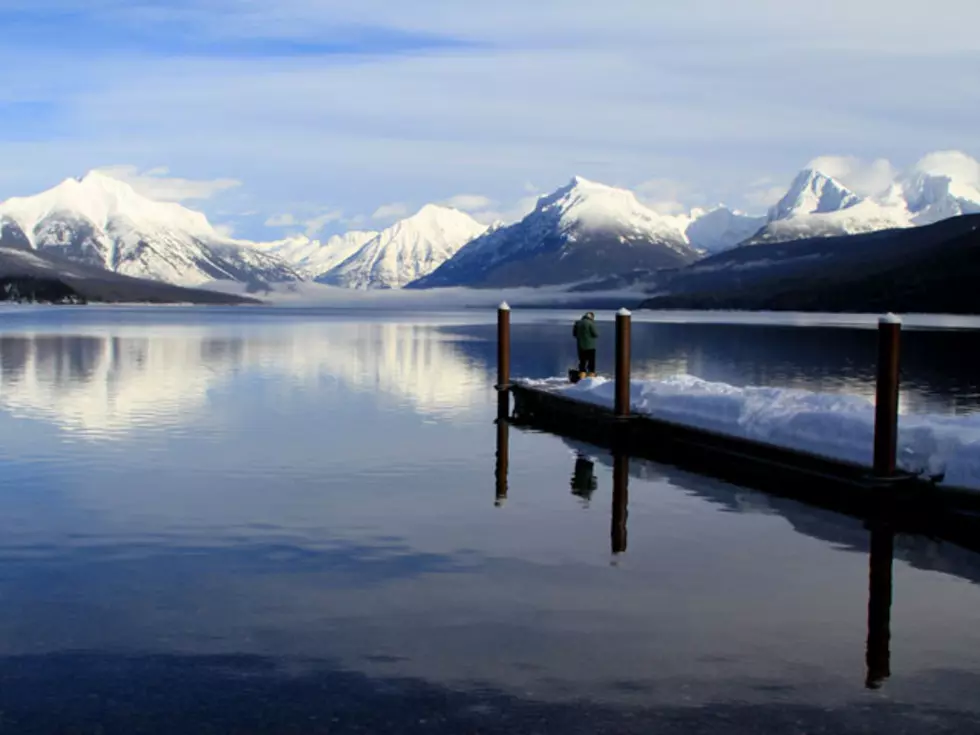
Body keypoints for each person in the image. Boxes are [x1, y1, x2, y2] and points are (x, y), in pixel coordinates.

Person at [572, 311, 598, 378]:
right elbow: (595, 334)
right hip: (590, 346)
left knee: (582, 361)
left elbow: (574, 334)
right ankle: (591, 376)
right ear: (591, 317)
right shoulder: (590, 323)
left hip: (580, 346)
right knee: (591, 361)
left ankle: (582, 375)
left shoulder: (577, 323)